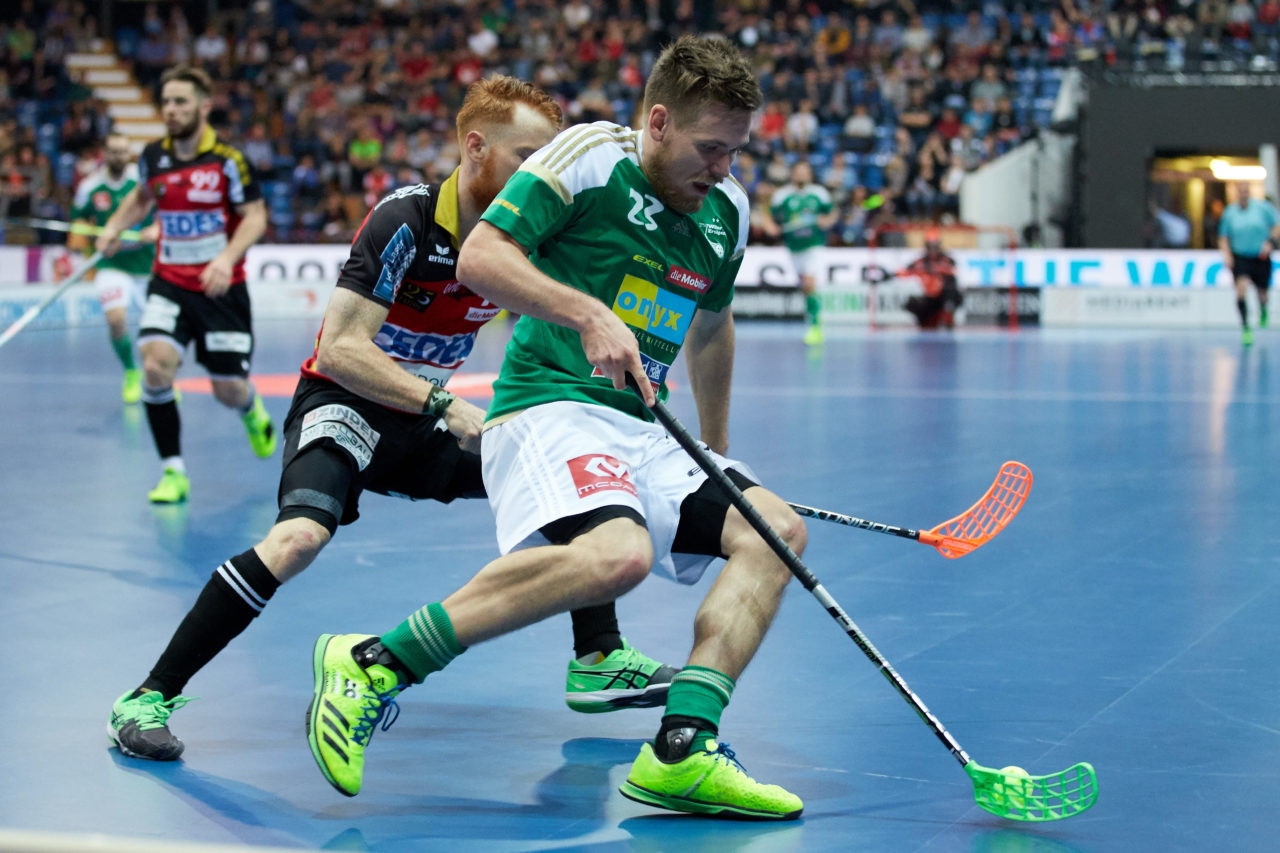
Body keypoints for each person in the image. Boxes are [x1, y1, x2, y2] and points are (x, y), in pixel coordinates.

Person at [304, 35, 807, 820]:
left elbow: (711, 326)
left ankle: (683, 749)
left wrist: (717, 446)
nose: (724, 169)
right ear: (660, 122)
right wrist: (585, 311)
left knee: (774, 531)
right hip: (548, 404)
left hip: (645, 427)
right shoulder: (588, 158)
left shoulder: (727, 210)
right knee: (619, 555)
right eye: (711, 149)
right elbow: (479, 256)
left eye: (737, 151)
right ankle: (375, 661)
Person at [107, 76, 677, 762]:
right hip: (342, 404)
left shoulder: (525, 238)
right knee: (297, 540)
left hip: (421, 425)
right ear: (475, 148)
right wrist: (441, 401)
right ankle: (147, 694)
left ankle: (598, 656)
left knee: (573, 490)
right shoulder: (403, 219)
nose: (544, 175)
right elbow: (343, 350)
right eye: (528, 157)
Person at [96, 65, 275, 503]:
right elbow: (142, 198)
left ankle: (251, 410)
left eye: (181, 101)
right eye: (166, 102)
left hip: (221, 290)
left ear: (203, 106)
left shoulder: (228, 161)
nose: (171, 110)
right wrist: (115, 228)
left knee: (227, 390)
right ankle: (173, 472)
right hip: (170, 283)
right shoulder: (153, 156)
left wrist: (227, 258)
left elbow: (255, 216)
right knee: (154, 364)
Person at [68, 132, 156, 403]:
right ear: (103, 153)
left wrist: (155, 230)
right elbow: (78, 224)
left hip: (147, 265)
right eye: (113, 151)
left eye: (123, 151)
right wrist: (91, 238)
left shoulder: (142, 180)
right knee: (116, 320)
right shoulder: (90, 186)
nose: (118, 156)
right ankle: (131, 372)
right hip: (111, 265)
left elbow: (165, 213)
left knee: (156, 331)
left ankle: (159, 380)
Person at [764, 159, 837, 345]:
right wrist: (770, 226)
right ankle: (813, 315)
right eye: (799, 171)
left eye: (805, 171)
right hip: (793, 247)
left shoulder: (819, 194)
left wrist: (827, 220)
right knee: (804, 287)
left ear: (810, 174)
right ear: (793, 174)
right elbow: (769, 215)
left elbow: (832, 212)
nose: (802, 175)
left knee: (810, 283)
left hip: (814, 245)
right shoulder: (783, 195)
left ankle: (815, 326)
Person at [1218, 181, 1280, 346]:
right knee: (1241, 289)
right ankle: (1245, 327)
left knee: (1262, 293)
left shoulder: (1263, 208)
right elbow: (1223, 236)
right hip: (1240, 256)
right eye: (1241, 191)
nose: (1244, 194)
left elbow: (1277, 226)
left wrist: (1270, 242)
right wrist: (1227, 255)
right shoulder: (1230, 212)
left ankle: (1263, 308)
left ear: (1249, 192)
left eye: (1246, 191)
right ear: (1237, 193)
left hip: (1260, 256)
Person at [900, 230, 963, 329]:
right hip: (928, 298)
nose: (933, 250)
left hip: (942, 297)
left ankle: (946, 316)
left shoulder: (947, 260)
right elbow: (905, 271)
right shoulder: (920, 262)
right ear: (926, 247)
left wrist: (933, 270)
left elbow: (952, 270)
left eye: (935, 246)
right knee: (911, 303)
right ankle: (926, 319)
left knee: (952, 289)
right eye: (930, 246)